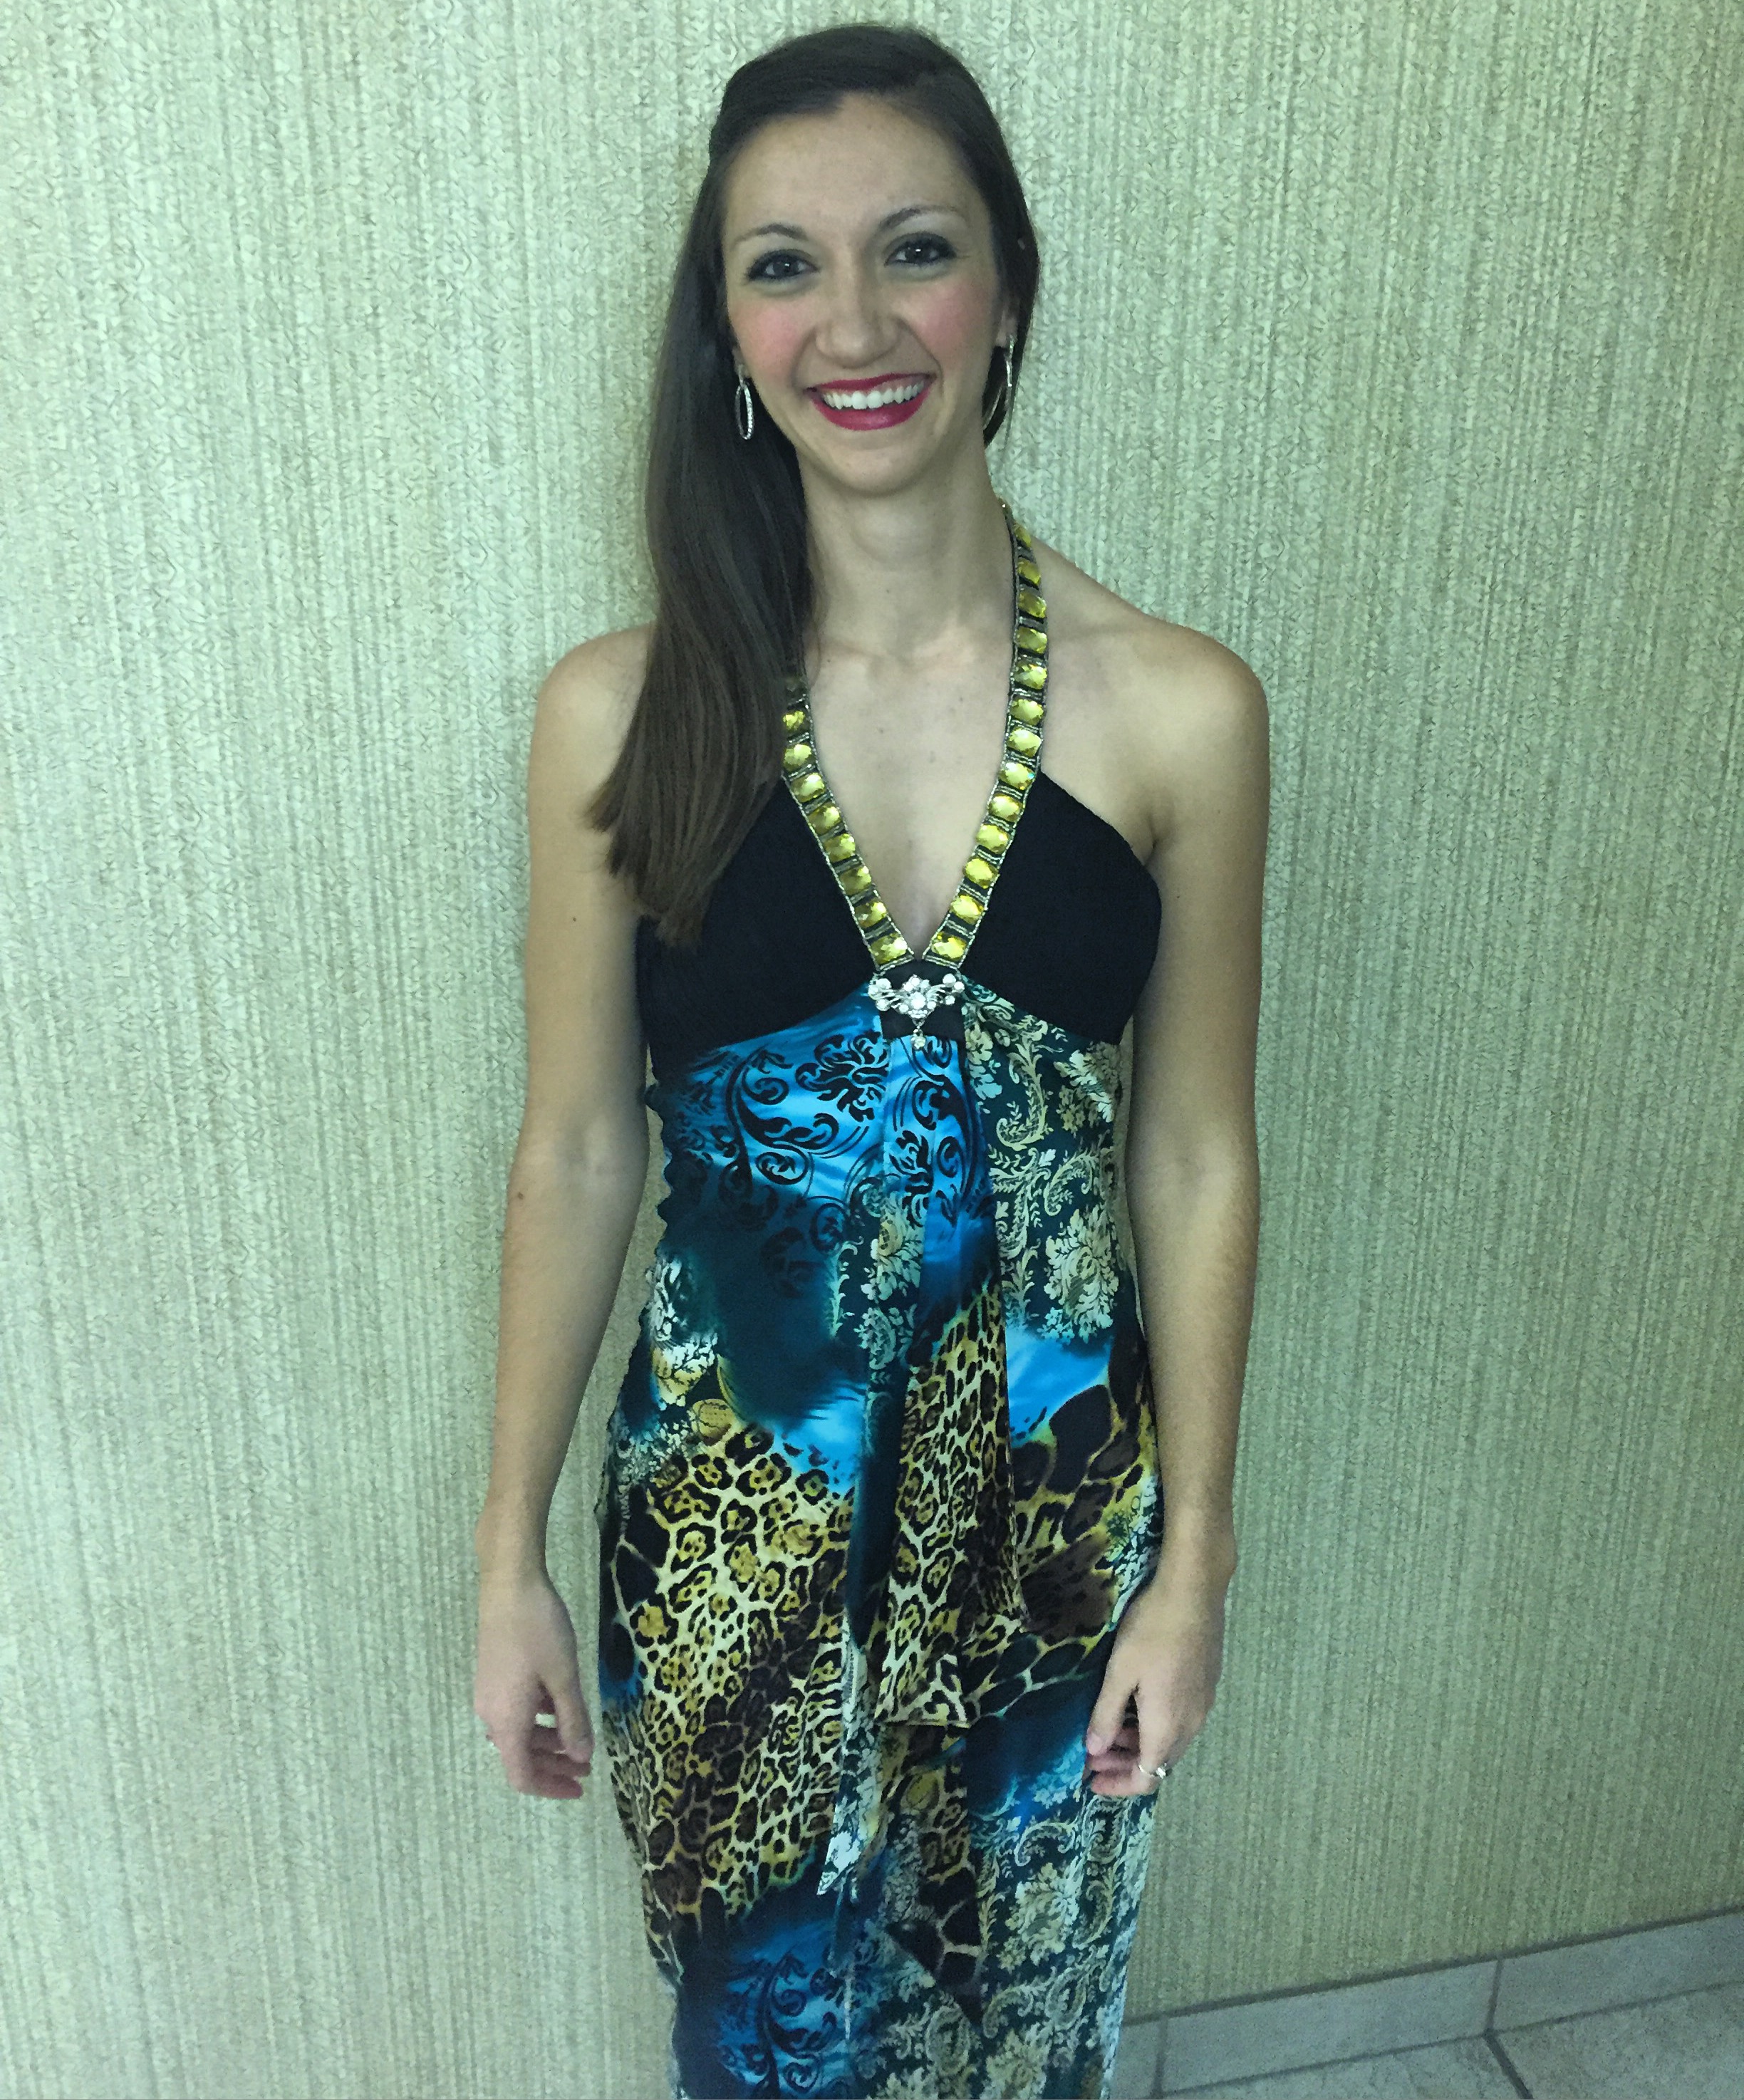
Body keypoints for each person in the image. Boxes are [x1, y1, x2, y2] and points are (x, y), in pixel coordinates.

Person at [472, 24, 1267, 2099]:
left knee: (1026, 2039)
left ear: (1003, 285)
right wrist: (508, 1554)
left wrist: (1196, 1560)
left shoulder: (1182, 712)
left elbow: (1194, 1154)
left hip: (1057, 1545)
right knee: (770, 2049)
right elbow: (576, 1151)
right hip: (732, 1544)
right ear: (727, 335)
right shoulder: (620, 715)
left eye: (914, 249)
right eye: (783, 268)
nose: (854, 325)